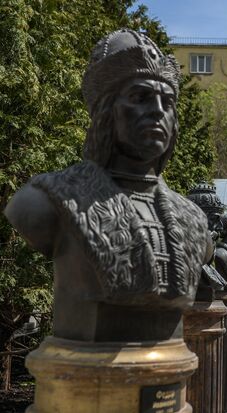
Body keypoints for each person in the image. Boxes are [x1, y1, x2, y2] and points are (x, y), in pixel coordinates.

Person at [3, 29, 212, 343]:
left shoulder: (193, 218)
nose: (158, 110)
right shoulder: (47, 200)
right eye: (140, 97)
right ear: (106, 111)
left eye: (167, 101)